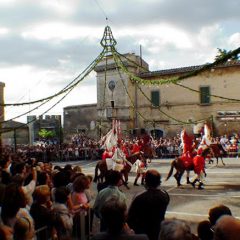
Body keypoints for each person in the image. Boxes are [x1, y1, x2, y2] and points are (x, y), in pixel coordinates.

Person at [127, 169, 169, 240]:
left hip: (142, 231)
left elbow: (130, 216)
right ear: (159, 182)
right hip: (158, 229)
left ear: (146, 182)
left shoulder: (139, 197)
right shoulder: (165, 195)